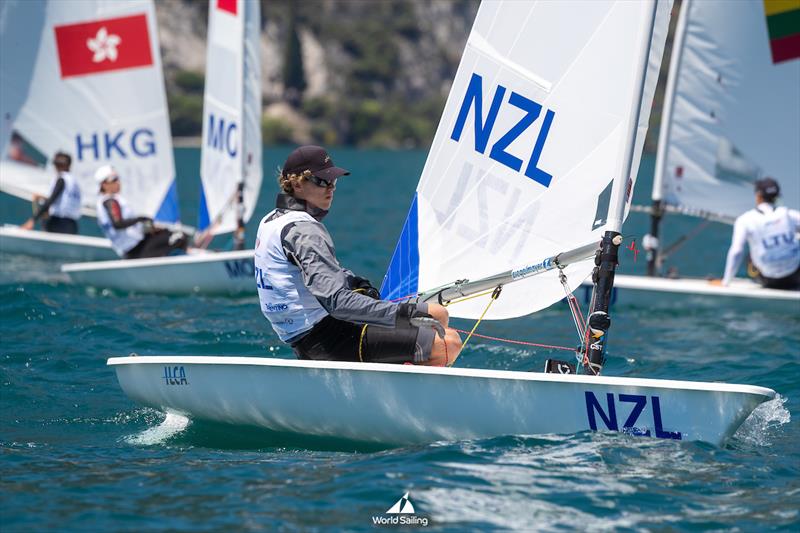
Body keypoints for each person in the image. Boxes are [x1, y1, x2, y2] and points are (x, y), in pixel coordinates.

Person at [254, 145, 463, 366]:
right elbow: (338, 302)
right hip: (328, 338)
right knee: (447, 341)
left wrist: (353, 281)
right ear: (296, 184)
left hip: (304, 336)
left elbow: (302, 274)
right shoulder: (305, 230)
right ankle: (403, 398)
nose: (331, 188)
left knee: (437, 315)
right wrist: (405, 312)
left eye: (334, 181)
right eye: (322, 181)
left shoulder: (271, 221)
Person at [714, 177, 800, 290]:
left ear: (758, 196)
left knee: (750, 255)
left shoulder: (745, 220)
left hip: (769, 280)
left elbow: (736, 252)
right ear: (777, 196)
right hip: (795, 277)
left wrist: (726, 282)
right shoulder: (790, 215)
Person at [95, 165, 188, 260]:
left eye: (118, 178)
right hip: (136, 250)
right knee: (180, 236)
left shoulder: (106, 201)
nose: (118, 182)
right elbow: (117, 224)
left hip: (136, 246)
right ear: (104, 184)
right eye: (114, 179)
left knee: (167, 233)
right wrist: (140, 219)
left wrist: (148, 227)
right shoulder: (110, 201)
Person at [21, 151, 81, 234]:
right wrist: (41, 197)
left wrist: (33, 220)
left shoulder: (61, 179)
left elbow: (51, 200)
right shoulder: (74, 182)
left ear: (57, 166)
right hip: (72, 225)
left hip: (59, 223)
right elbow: (63, 199)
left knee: (44, 221)